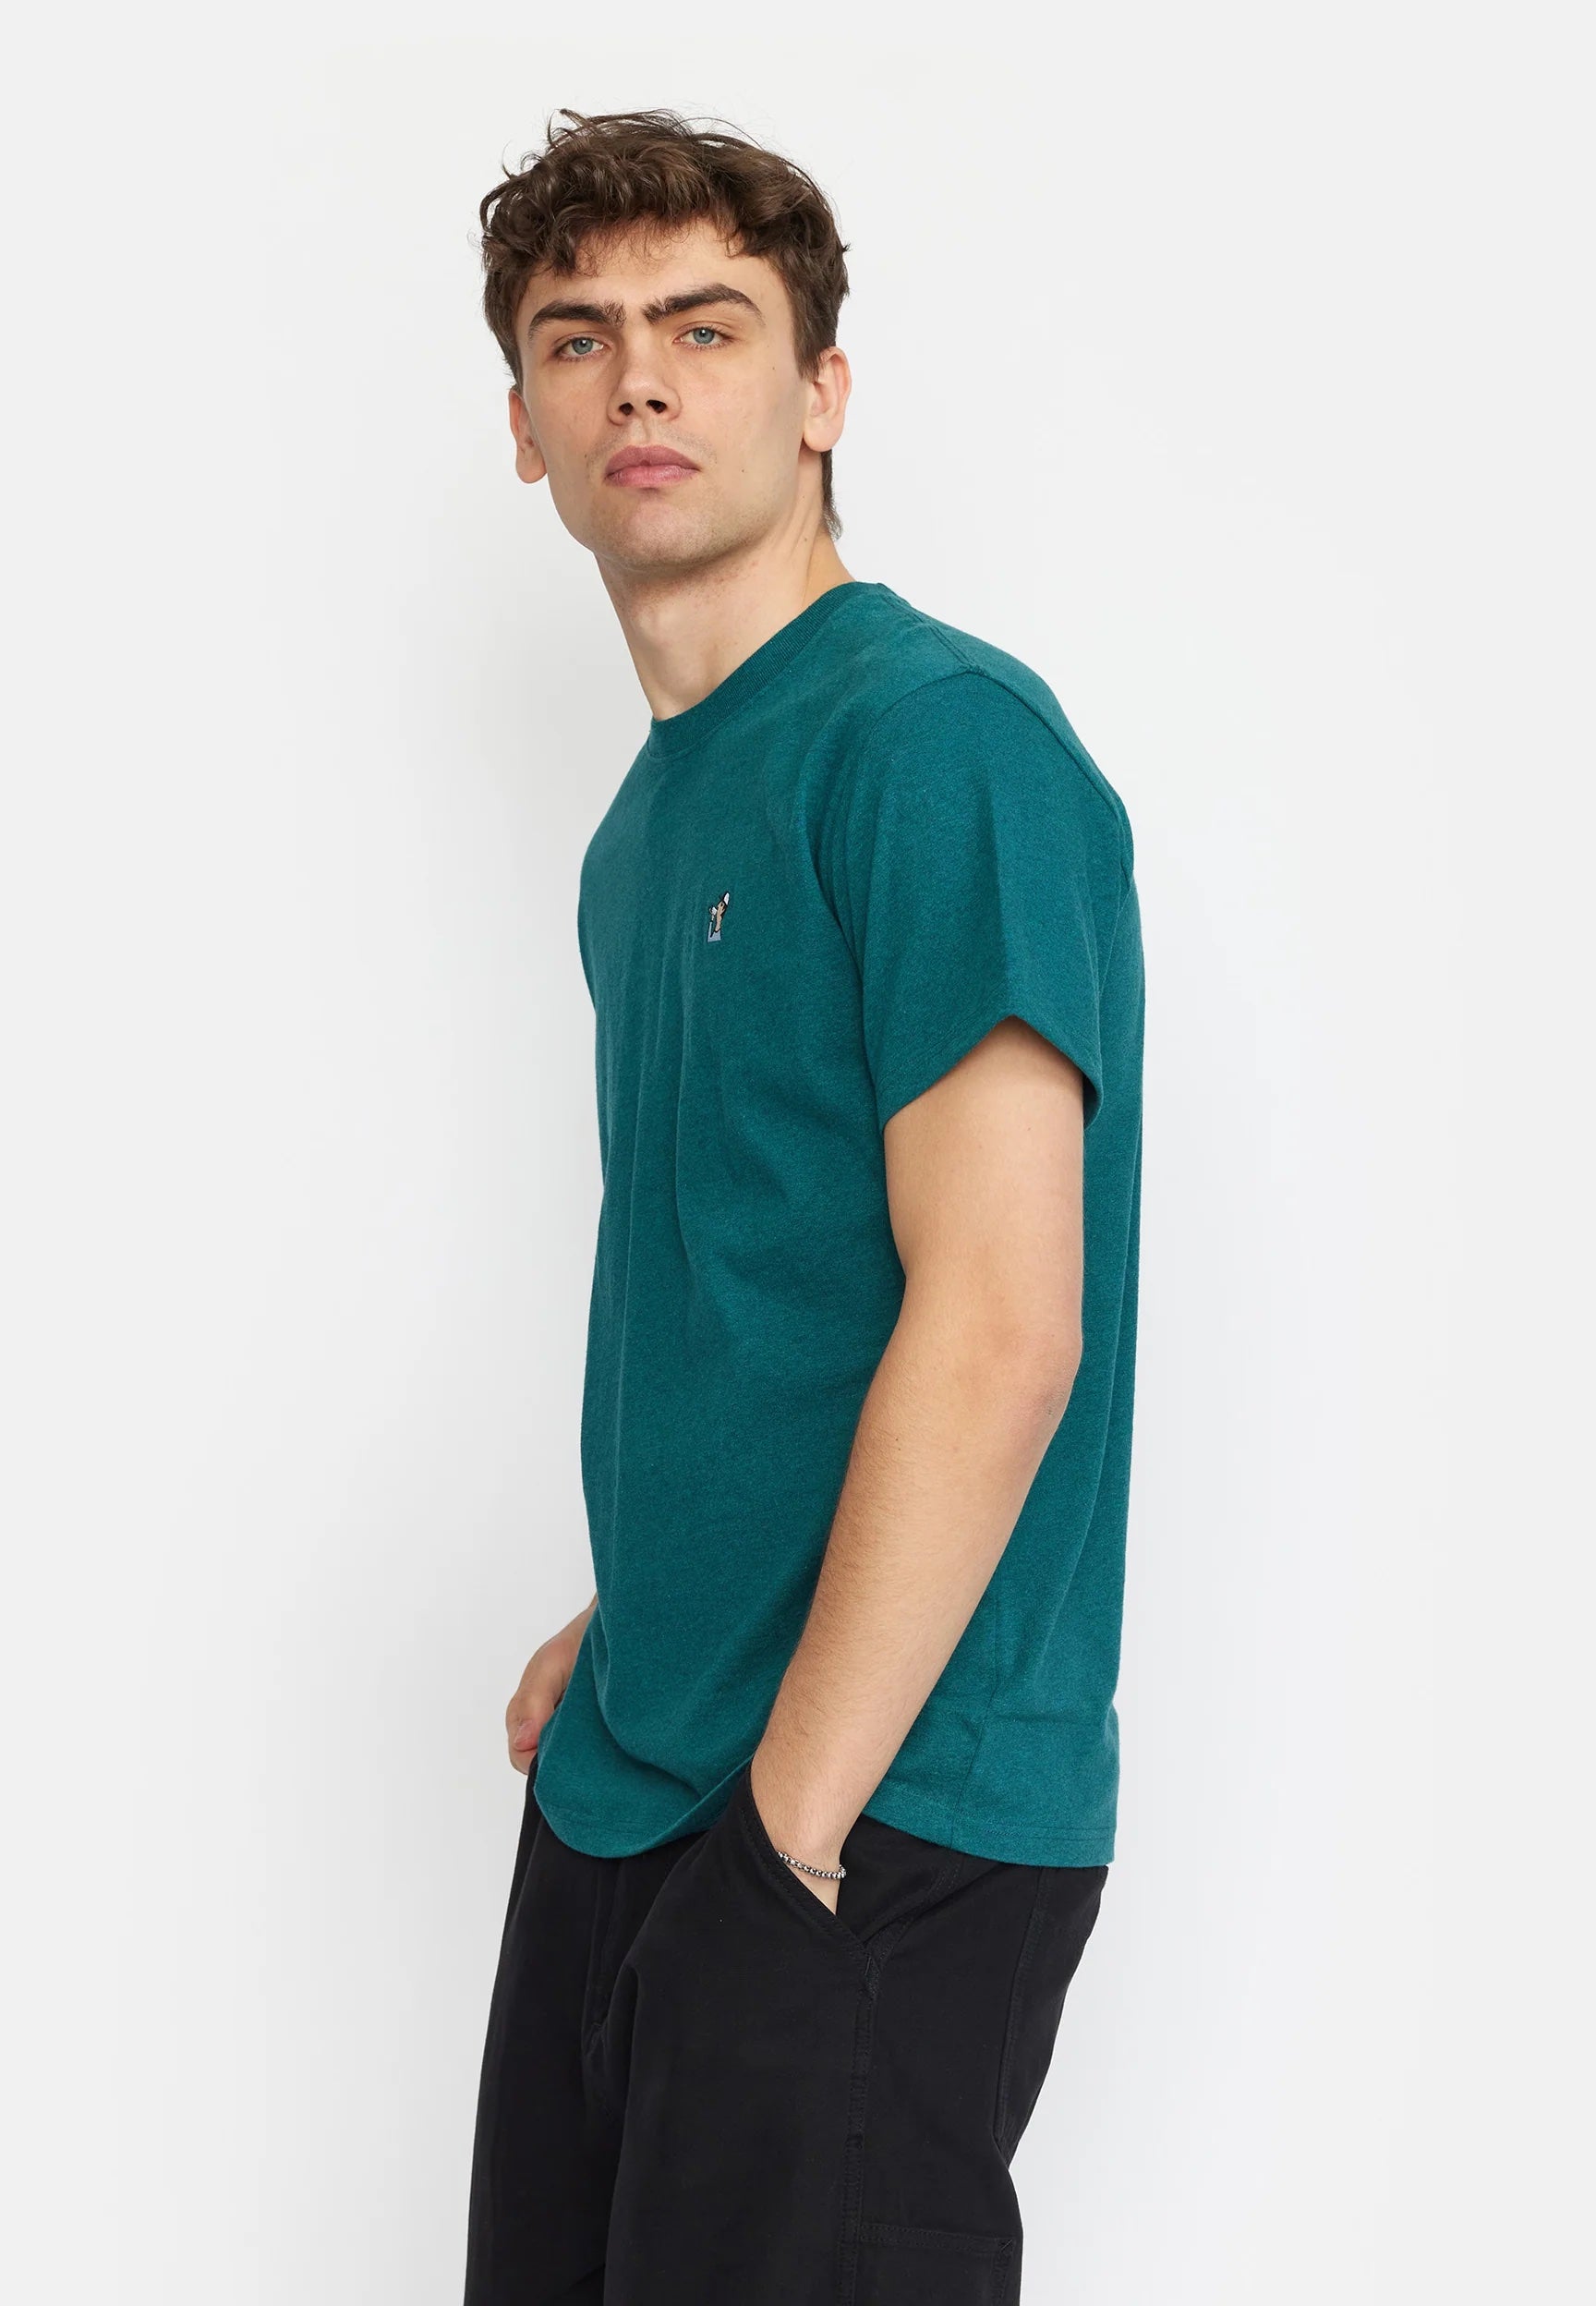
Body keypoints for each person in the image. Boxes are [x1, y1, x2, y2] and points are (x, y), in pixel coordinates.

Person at [462, 106, 1143, 2306]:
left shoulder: (934, 743)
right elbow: (763, 1285)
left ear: (822, 390)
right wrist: (647, 1611)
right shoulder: (647, 831)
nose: (638, 379)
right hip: (648, 1776)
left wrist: (791, 1825)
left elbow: (1003, 1317)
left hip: (870, 1810)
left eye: (706, 325)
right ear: (526, 428)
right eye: (578, 338)